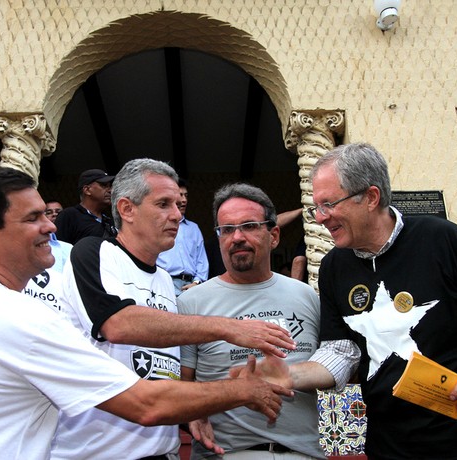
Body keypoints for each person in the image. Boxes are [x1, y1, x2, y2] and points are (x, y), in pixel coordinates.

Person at [0, 164, 292, 460]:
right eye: (34, 218)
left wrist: (195, 406)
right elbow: (141, 398)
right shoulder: (18, 312)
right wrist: (243, 388)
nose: (53, 227)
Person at [253, 143, 457, 459]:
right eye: (316, 207)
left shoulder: (442, 239)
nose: (320, 218)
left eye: (328, 204)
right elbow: (342, 350)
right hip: (393, 449)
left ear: (371, 197)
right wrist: (288, 375)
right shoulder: (334, 267)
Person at [51, 158, 296, 460]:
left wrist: (191, 411)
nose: (177, 216)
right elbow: (119, 324)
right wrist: (230, 327)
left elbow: (161, 368)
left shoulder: (166, 281)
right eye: (163, 204)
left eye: (179, 205)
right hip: (98, 453)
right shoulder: (93, 252)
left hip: (161, 451)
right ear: (127, 209)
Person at [178, 183, 326, 459]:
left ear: (274, 235)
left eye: (249, 226)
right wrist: (193, 414)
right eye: (227, 229)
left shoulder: (306, 296)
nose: (236, 237)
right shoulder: (191, 303)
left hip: (303, 452)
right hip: (227, 453)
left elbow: (335, 365)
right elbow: (181, 386)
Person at [157, 178, 209, 295]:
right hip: (165, 283)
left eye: (186, 195)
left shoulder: (193, 228)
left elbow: (201, 259)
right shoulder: (159, 225)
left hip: (191, 286)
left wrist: (197, 282)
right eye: (180, 195)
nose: (184, 200)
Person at [55, 168, 117, 244]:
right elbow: (58, 248)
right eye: (104, 185)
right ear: (87, 190)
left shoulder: (109, 221)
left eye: (110, 186)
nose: (110, 190)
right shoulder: (70, 215)